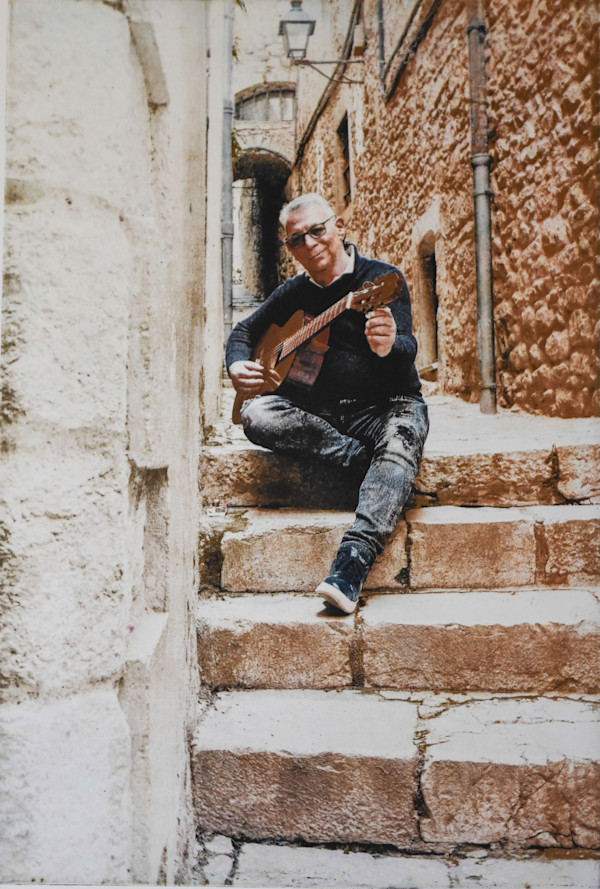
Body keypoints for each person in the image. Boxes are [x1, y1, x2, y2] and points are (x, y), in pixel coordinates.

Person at [226, 193, 429, 614]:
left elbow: (408, 345)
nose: (310, 243)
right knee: (255, 412)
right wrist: (237, 364)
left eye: (317, 230)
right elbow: (244, 331)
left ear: (339, 227)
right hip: (325, 415)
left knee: (401, 436)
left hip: (385, 405)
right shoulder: (293, 293)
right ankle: (366, 464)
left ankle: (349, 566)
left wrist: (389, 345)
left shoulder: (382, 279)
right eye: (297, 239)